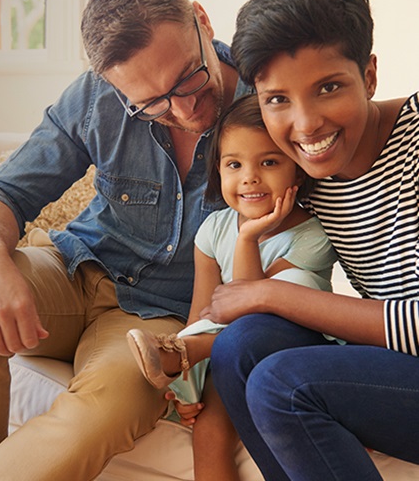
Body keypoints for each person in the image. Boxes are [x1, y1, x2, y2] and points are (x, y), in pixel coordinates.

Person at [0, 0, 251, 481]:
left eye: (189, 76)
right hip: (73, 271)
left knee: (112, 405)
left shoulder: (268, 101)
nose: (184, 109)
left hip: (160, 320)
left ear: (203, 22)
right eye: (152, 105)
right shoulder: (98, 98)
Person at [203, 0, 419, 481]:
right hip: (399, 374)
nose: (306, 125)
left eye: (328, 88)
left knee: (283, 383)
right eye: (278, 99)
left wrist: (272, 295)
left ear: (368, 75)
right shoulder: (302, 174)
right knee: (241, 347)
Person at [126, 94, 337, 481]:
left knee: (295, 284)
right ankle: (183, 364)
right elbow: (202, 313)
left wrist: (248, 240)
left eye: (269, 162)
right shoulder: (212, 230)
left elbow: (253, 308)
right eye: (234, 164)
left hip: (290, 352)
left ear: (298, 171)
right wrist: (188, 390)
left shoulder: (314, 235)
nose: (249, 177)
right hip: (227, 359)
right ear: (218, 171)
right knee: (208, 431)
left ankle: (182, 356)